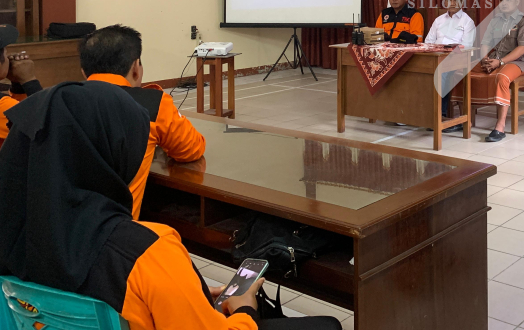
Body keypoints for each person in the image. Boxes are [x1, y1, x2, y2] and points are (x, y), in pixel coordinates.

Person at [0, 80, 341, 330]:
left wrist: (188, 294)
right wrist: (244, 310)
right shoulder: (149, 253)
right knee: (327, 325)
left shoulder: (13, 233)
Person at [80, 24, 206, 220]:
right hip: (111, 231)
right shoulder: (151, 105)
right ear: (136, 68)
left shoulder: (55, 102)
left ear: (83, 72)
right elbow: (191, 149)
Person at [467, 0, 524, 143]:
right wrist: (485, 58)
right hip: (494, 59)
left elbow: (522, 49)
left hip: (516, 63)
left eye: (508, 0)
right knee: (464, 73)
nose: (504, 3)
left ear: (517, 2)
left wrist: (500, 62)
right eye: (501, 0)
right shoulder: (495, 21)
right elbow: (485, 42)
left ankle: (500, 126)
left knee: (502, 77)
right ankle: (467, 120)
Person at [425, 0, 476, 133]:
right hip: (435, 56)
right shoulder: (439, 20)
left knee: (442, 72)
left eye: (455, 0)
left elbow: (467, 45)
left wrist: (448, 54)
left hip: (457, 59)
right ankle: (419, 112)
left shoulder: (467, 21)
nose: (452, 3)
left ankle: (438, 115)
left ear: (462, 2)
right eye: (449, 0)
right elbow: (428, 41)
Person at [0, 24, 42, 145]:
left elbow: (22, 109)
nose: (9, 59)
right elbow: (47, 129)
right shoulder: (3, 106)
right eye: (5, 53)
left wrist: (18, 85)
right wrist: (30, 81)